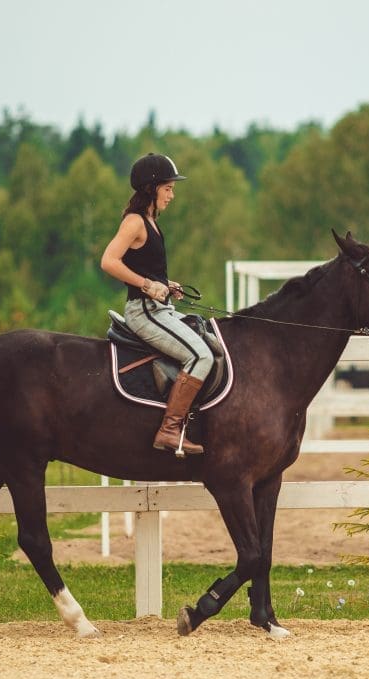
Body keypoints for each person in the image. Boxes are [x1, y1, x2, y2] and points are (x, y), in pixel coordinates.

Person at [101, 153, 214, 455]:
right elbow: (109, 261)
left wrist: (165, 283)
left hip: (158, 309)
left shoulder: (151, 222)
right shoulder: (135, 222)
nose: (172, 195)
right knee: (201, 356)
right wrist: (147, 285)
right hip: (144, 312)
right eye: (168, 188)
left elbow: (144, 266)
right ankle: (169, 430)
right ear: (151, 188)